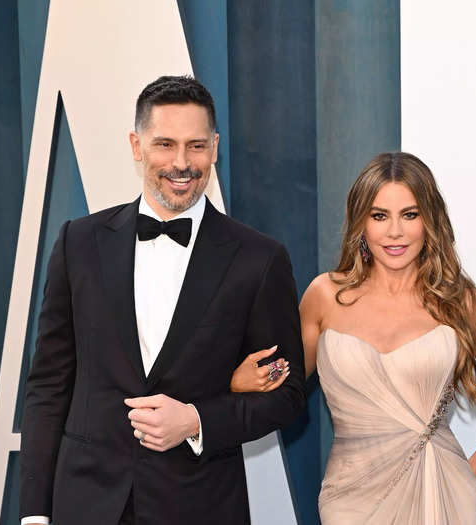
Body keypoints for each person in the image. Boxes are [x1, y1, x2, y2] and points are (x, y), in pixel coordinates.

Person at [19, 76, 306, 525]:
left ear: (215, 147)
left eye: (195, 146)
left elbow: (287, 395)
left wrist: (196, 420)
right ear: (137, 146)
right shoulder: (79, 243)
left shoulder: (259, 259)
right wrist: (34, 513)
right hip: (86, 504)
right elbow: (48, 385)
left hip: (201, 504)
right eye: (164, 144)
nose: (181, 163)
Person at [231, 152, 476, 524]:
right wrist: (237, 383)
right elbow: (285, 388)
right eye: (379, 216)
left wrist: (463, 475)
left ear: (430, 220)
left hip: (442, 499)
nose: (395, 231)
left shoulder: (461, 300)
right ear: (361, 222)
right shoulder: (325, 296)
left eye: (410, 215)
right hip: (350, 500)